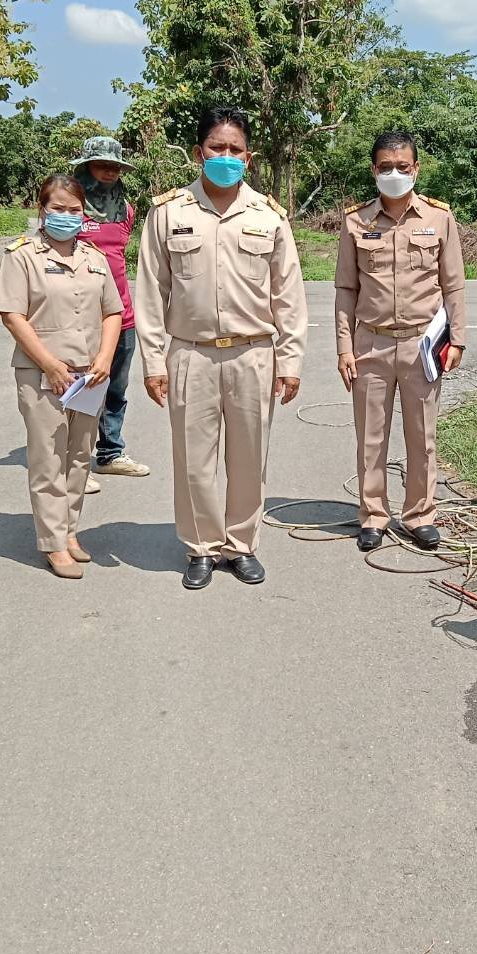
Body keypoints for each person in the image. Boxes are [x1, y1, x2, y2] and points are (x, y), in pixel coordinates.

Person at [135, 106, 307, 591]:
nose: (225, 157)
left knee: (250, 456)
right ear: (199, 152)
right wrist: (153, 362)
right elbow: (151, 292)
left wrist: (290, 361)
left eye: (235, 150)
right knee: (194, 459)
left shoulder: (268, 216)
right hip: (190, 353)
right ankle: (202, 547)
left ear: (248, 158)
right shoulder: (168, 213)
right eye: (217, 148)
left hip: (254, 352)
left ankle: (242, 544)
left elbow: (287, 295)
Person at [335, 130, 466, 552]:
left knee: (421, 437)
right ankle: (373, 515)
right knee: (371, 437)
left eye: (402, 167)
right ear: (374, 170)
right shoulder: (356, 221)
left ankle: (419, 515)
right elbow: (345, 290)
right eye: (385, 167)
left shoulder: (438, 218)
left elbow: (454, 285)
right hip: (370, 344)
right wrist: (343, 347)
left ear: (416, 169)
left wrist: (457, 340)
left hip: (421, 346)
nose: (394, 174)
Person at [0, 173, 123, 579]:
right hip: (42, 374)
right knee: (49, 458)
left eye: (74, 210)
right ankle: (52, 544)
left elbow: (113, 312)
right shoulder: (22, 256)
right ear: (42, 210)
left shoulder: (94, 258)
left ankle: (69, 531)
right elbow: (12, 316)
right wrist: (50, 364)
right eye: (58, 209)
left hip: (89, 376)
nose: (66, 216)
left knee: (80, 456)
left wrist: (104, 357)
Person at [69, 134, 150, 493]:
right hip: (80, 317)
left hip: (122, 314)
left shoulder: (126, 210)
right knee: (81, 390)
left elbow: (119, 256)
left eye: (115, 166)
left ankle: (110, 453)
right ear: (86, 165)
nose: (109, 171)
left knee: (116, 388)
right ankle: (75, 462)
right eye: (102, 164)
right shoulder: (68, 208)